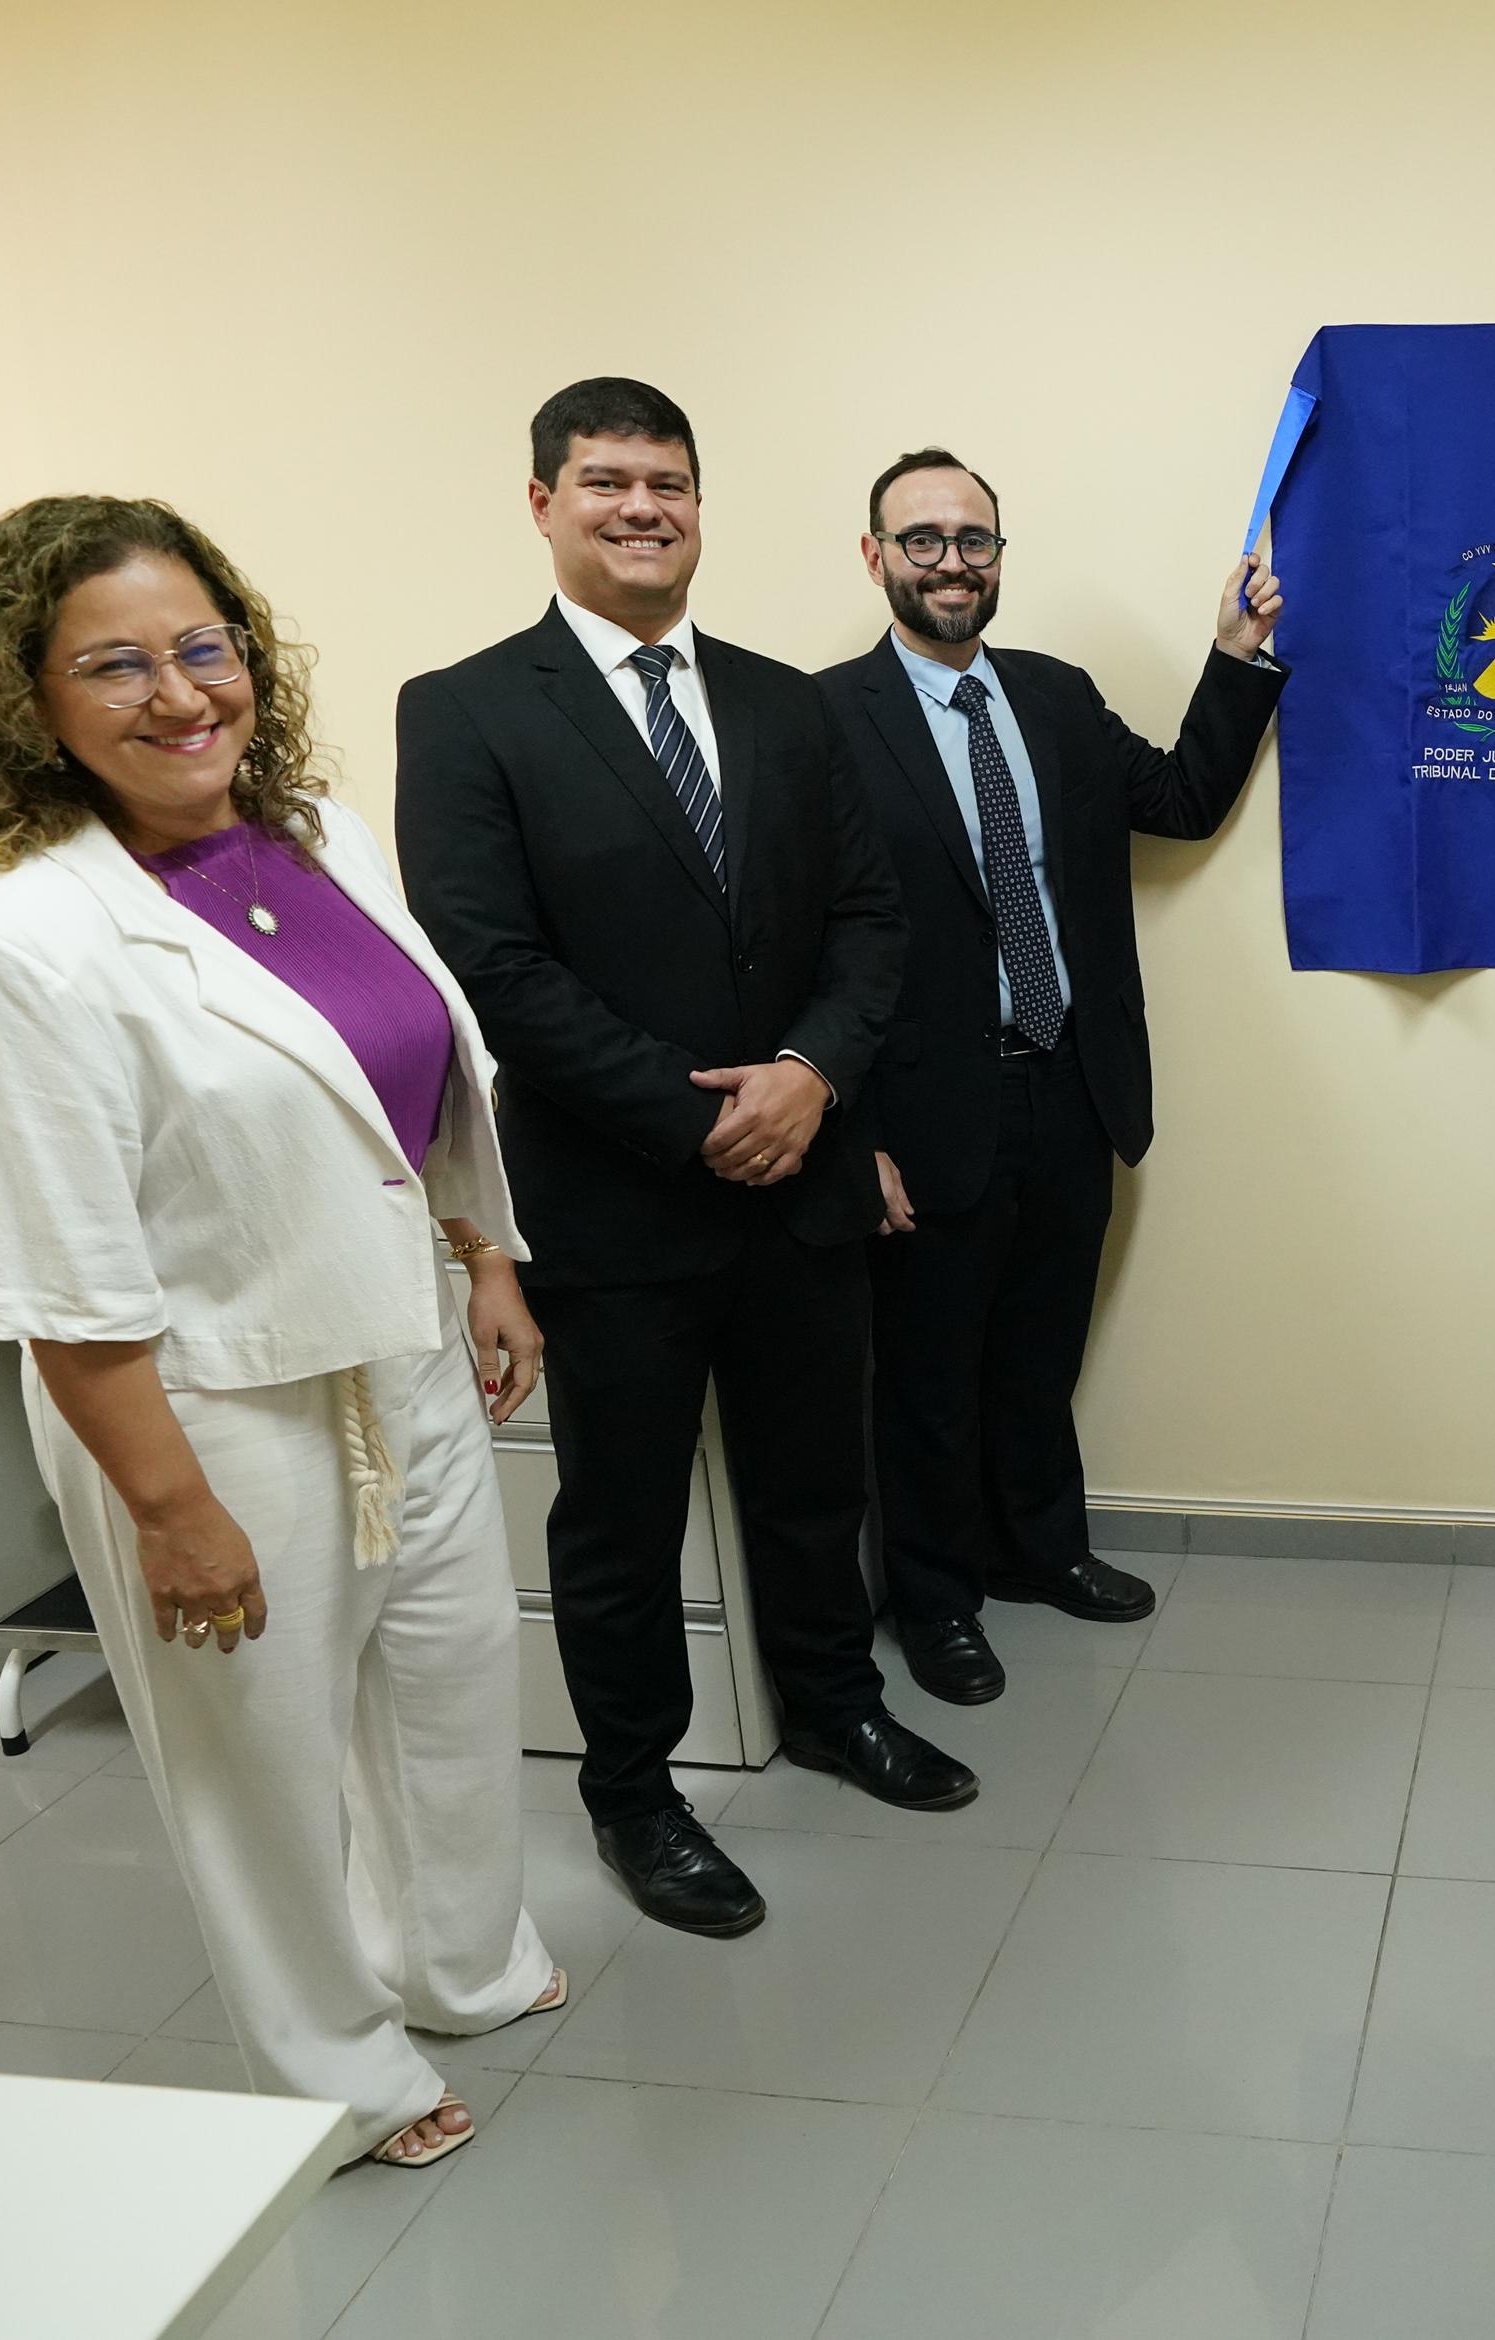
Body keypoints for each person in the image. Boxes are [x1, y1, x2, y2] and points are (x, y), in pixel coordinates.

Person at [0, 495, 555, 2171]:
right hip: (214, 1407)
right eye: (114, 667)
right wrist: (172, 1510)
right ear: (29, 704)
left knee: (451, 1683)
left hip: (403, 1340)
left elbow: (404, 1086)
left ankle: (460, 1961)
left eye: (203, 648)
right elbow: (63, 1277)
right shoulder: (23, 940)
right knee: (256, 1765)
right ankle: (336, 2077)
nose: (179, 693)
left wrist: (483, 1258)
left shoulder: (323, 835)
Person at [397, 379, 968, 1945]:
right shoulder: (466, 709)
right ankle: (635, 1795)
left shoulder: (789, 705)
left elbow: (870, 923)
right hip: (615, 1199)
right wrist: (697, 1112)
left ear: (700, 506)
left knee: (813, 1483)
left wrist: (810, 1078)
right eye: (606, 481)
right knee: (622, 1522)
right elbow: (494, 965)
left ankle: (836, 1707)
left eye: (669, 482)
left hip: (805, 1188)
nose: (642, 507)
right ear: (543, 504)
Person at [816, 451, 1286, 1707]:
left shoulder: (1054, 697)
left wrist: (1234, 657)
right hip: (921, 1109)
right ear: (875, 558)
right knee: (926, 1377)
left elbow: (1180, 799)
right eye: (923, 540)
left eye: (973, 540)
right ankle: (935, 1598)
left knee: (1039, 1349)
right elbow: (803, 944)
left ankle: (1040, 1548)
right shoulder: (820, 722)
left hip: (1072, 1086)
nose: (951, 563)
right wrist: (851, 1133)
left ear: (997, 557)